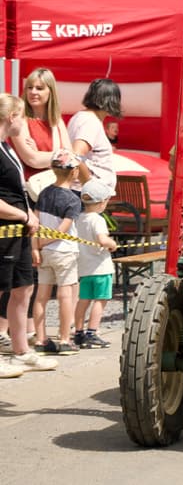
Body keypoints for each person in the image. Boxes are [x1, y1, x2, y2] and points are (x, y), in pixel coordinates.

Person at [5, 67, 71, 347]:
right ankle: (13, 330)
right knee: (21, 266)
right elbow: (30, 157)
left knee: (35, 267)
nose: (33, 92)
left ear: (50, 92)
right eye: (30, 86)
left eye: (40, 88)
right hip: (28, 198)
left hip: (51, 199)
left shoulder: (57, 122)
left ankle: (29, 330)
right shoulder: (21, 120)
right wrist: (56, 155)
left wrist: (54, 156)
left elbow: (72, 157)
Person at [0, 93, 57, 376]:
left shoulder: (7, 148)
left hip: (19, 230)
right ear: (11, 117)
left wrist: (28, 213)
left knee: (23, 287)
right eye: (21, 116)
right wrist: (22, 215)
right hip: (5, 231)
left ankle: (21, 350)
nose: (24, 122)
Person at [32, 149, 82, 355]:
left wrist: (36, 247)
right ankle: (63, 338)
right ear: (74, 172)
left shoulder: (43, 193)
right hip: (64, 252)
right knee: (66, 294)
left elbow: (35, 222)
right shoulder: (73, 200)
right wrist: (43, 243)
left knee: (41, 296)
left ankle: (41, 339)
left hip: (44, 254)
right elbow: (62, 231)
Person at [73, 179, 117, 349]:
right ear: (101, 203)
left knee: (83, 300)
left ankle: (78, 332)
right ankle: (92, 331)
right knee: (100, 300)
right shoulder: (97, 220)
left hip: (84, 268)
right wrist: (112, 244)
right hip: (101, 268)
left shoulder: (79, 218)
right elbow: (101, 239)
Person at [68, 78, 122, 192]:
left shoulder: (79, 117)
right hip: (84, 194)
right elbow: (76, 156)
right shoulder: (90, 121)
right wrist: (89, 187)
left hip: (80, 190)